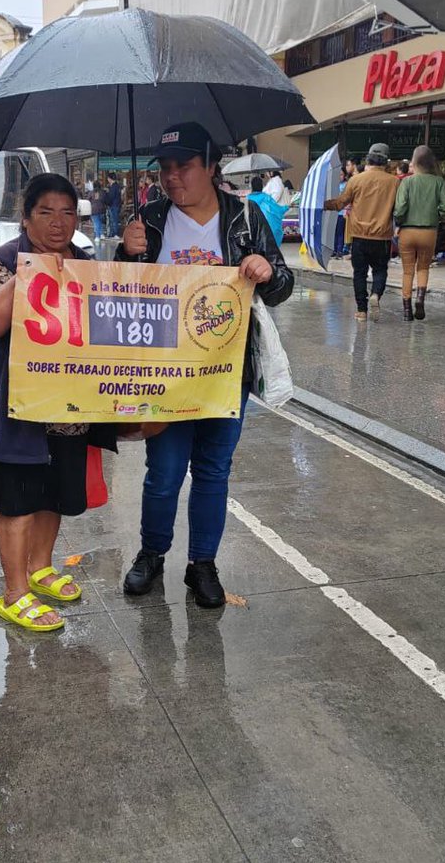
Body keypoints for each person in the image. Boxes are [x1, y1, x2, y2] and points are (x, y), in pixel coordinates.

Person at [117, 121, 294, 608]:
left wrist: (265, 271)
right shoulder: (149, 218)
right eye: (166, 168)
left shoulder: (244, 218)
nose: (173, 178)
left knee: (213, 471)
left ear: (211, 168)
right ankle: (151, 554)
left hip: (225, 372)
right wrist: (125, 252)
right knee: (164, 471)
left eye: (185, 167)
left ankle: (203, 565)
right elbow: (120, 292)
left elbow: (282, 285)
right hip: (164, 374)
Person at [0, 173, 111, 632]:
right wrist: (30, 271)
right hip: (17, 411)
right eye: (45, 212)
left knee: (54, 494)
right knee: (18, 501)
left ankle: (41, 567)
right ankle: (14, 593)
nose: (58, 222)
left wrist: (128, 254)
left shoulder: (85, 262)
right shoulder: (2, 262)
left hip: (68, 408)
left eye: (67, 212)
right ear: (25, 217)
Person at [324, 142, 399, 322]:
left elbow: (340, 203)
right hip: (382, 237)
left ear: (368, 158)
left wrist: (324, 204)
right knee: (380, 270)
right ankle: (375, 295)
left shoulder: (356, 180)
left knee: (359, 273)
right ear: (386, 162)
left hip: (359, 236)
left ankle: (361, 311)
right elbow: (399, 209)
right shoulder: (395, 182)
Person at [393, 145, 445, 322]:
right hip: (429, 232)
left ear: (415, 162)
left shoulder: (407, 182)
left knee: (407, 271)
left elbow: (400, 208)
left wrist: (399, 221)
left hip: (408, 232)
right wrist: (436, 216)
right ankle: (420, 299)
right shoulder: (438, 182)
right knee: (423, 268)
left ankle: (406, 310)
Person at [246, 175, 290, 245]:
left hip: (252, 233)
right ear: (262, 186)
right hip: (267, 233)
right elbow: (277, 210)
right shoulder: (267, 198)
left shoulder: (247, 199)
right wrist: (286, 207)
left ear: (251, 187)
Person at [106, 173, 122, 237]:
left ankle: (115, 234)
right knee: (114, 220)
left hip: (113, 205)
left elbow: (111, 197)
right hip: (116, 205)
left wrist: (107, 202)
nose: (107, 179)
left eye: (108, 178)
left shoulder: (113, 186)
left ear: (110, 178)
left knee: (114, 220)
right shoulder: (117, 186)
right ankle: (113, 233)